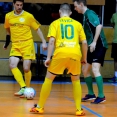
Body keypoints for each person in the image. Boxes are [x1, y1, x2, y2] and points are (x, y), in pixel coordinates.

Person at [29, 3, 87, 116]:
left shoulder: (55, 23)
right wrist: (84, 58)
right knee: (76, 80)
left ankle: (40, 107)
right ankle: (79, 109)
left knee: (48, 79)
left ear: (60, 12)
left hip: (60, 53)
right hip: (75, 54)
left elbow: (51, 42)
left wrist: (49, 58)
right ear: (70, 13)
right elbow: (84, 42)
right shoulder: (78, 24)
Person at [3, 0, 47, 97]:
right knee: (12, 64)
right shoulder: (8, 16)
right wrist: (6, 43)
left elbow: (37, 29)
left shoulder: (28, 16)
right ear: (13, 5)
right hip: (15, 45)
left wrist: (43, 41)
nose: (19, 7)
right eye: (17, 5)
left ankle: (27, 87)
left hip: (27, 44)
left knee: (26, 68)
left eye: (21, 5)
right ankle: (23, 88)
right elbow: (7, 31)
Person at [73, 0, 108, 104]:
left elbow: (99, 26)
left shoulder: (90, 13)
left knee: (95, 69)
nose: (75, 9)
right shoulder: (84, 16)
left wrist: (94, 42)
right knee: (85, 69)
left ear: (81, 4)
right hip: (92, 46)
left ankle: (101, 96)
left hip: (99, 45)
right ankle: (91, 94)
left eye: (75, 6)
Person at [108, 13, 117, 83]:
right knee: (116, 59)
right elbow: (112, 24)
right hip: (115, 41)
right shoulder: (114, 15)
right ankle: (116, 76)